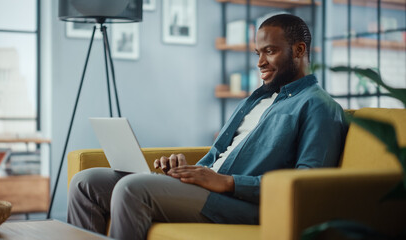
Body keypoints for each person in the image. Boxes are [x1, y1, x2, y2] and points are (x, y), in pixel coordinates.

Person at [67, 14, 347, 240]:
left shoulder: (319, 106)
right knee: (85, 183)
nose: (260, 62)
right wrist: (184, 168)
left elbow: (309, 185)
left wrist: (228, 182)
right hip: (207, 186)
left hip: (240, 204)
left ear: (299, 50)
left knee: (132, 189)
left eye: (270, 52)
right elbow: (219, 153)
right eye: (257, 53)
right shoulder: (257, 98)